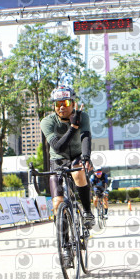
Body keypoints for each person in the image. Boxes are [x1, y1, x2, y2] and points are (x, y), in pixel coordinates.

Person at [40, 85, 94, 229]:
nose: (62, 107)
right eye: (58, 104)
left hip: (76, 155)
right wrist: (73, 127)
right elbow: (58, 147)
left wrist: (86, 157)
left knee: (78, 171)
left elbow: (86, 137)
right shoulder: (47, 122)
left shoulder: (83, 116)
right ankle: (64, 240)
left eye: (66, 103)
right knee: (57, 203)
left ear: (73, 103)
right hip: (57, 159)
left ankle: (87, 212)